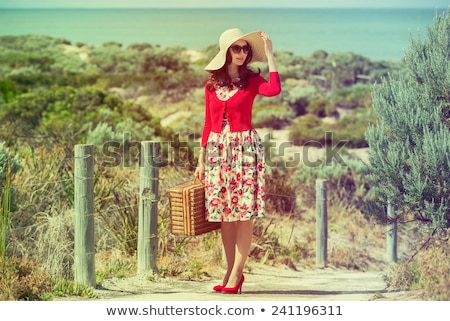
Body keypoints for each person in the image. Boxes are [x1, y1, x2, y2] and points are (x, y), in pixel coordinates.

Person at [194, 28, 281, 294]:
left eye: (245, 49)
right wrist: (201, 160)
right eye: (237, 48)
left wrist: (269, 55)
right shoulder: (212, 84)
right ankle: (229, 271)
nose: (242, 53)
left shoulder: (252, 80)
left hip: (245, 150)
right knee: (225, 215)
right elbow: (209, 124)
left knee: (244, 214)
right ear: (226, 52)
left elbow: (274, 89)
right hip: (218, 150)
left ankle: (237, 274)